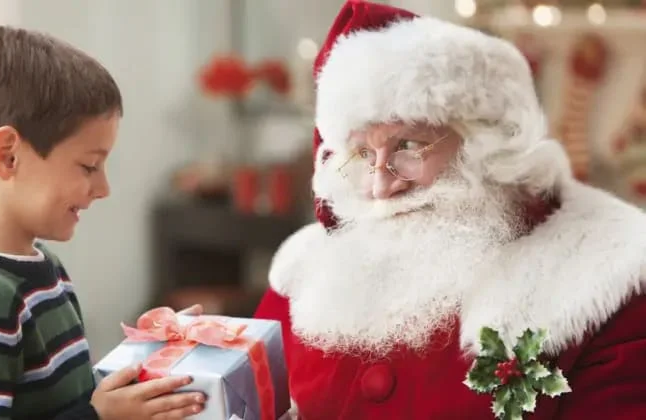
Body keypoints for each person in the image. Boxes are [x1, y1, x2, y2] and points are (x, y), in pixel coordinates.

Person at [253, 1, 646, 419]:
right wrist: (188, 385)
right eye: (363, 153)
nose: (381, 184)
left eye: (408, 146)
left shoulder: (606, 283)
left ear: (484, 147)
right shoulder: (306, 270)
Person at [0, 27, 205, 420]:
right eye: (89, 166)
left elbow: (60, 400)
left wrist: (147, 360)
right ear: (8, 156)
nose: (103, 187)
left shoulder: (42, 269)